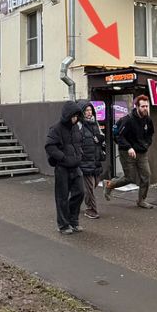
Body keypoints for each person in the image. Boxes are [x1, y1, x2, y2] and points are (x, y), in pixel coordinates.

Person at [105, 94, 155, 208]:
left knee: (146, 176)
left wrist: (147, 144)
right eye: (142, 106)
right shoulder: (128, 120)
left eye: (146, 106)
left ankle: (141, 200)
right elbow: (119, 136)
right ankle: (109, 184)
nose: (145, 109)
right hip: (126, 152)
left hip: (142, 152)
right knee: (130, 178)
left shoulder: (148, 119)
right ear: (137, 107)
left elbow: (150, 133)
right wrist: (128, 147)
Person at [45, 100, 86, 235]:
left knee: (80, 192)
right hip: (62, 168)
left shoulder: (76, 128)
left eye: (77, 116)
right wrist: (63, 158)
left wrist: (80, 155)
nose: (75, 118)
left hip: (75, 166)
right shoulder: (55, 129)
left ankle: (73, 221)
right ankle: (63, 225)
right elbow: (50, 146)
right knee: (62, 197)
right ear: (68, 115)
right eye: (73, 116)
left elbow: (79, 143)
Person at [78, 102, 105, 219]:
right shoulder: (79, 125)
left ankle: (75, 201)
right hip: (85, 160)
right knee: (90, 188)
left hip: (95, 159)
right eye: (86, 111)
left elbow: (101, 137)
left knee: (95, 183)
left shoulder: (95, 123)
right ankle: (91, 209)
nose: (89, 113)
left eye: (90, 110)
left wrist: (100, 138)